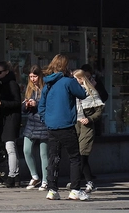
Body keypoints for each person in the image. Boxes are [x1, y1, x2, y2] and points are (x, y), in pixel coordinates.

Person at [38, 54, 89, 201]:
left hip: (52, 126)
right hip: (66, 124)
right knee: (74, 157)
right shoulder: (68, 81)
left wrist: (46, 119)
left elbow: (42, 105)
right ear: (66, 66)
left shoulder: (48, 83)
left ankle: (52, 189)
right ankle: (75, 189)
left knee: (54, 157)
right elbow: (82, 94)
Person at [73, 69, 104, 194]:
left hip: (87, 127)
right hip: (76, 125)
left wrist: (90, 119)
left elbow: (99, 110)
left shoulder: (91, 92)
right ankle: (82, 181)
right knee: (78, 156)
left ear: (81, 79)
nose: (74, 82)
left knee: (82, 154)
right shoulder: (73, 93)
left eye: (76, 79)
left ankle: (88, 182)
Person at [0, 60, 21, 187]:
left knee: (10, 147)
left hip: (11, 118)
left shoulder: (12, 84)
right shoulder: (1, 83)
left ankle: (12, 175)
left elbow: (16, 102)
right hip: (4, 118)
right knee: (9, 147)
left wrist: (2, 103)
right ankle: (16, 174)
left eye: (0, 72)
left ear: (6, 72)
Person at [22, 65, 50, 191]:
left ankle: (45, 180)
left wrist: (36, 104)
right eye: (31, 77)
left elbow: (49, 105)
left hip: (44, 123)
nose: (33, 79)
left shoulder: (46, 88)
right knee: (26, 150)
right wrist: (27, 105)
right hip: (32, 123)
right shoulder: (29, 89)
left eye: (35, 76)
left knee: (43, 153)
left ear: (40, 76)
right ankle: (35, 176)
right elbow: (23, 108)